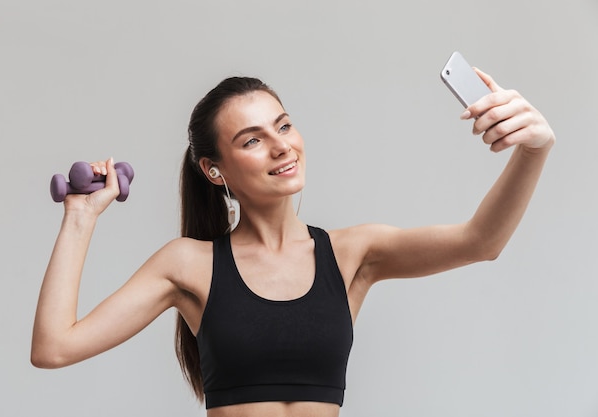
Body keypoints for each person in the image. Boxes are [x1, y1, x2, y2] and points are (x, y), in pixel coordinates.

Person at [31, 70, 555, 417]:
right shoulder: (188, 265)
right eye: (253, 139)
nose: (282, 145)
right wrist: (79, 217)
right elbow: (54, 348)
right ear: (214, 170)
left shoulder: (354, 253)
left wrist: (534, 150)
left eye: (284, 125)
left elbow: (481, 241)